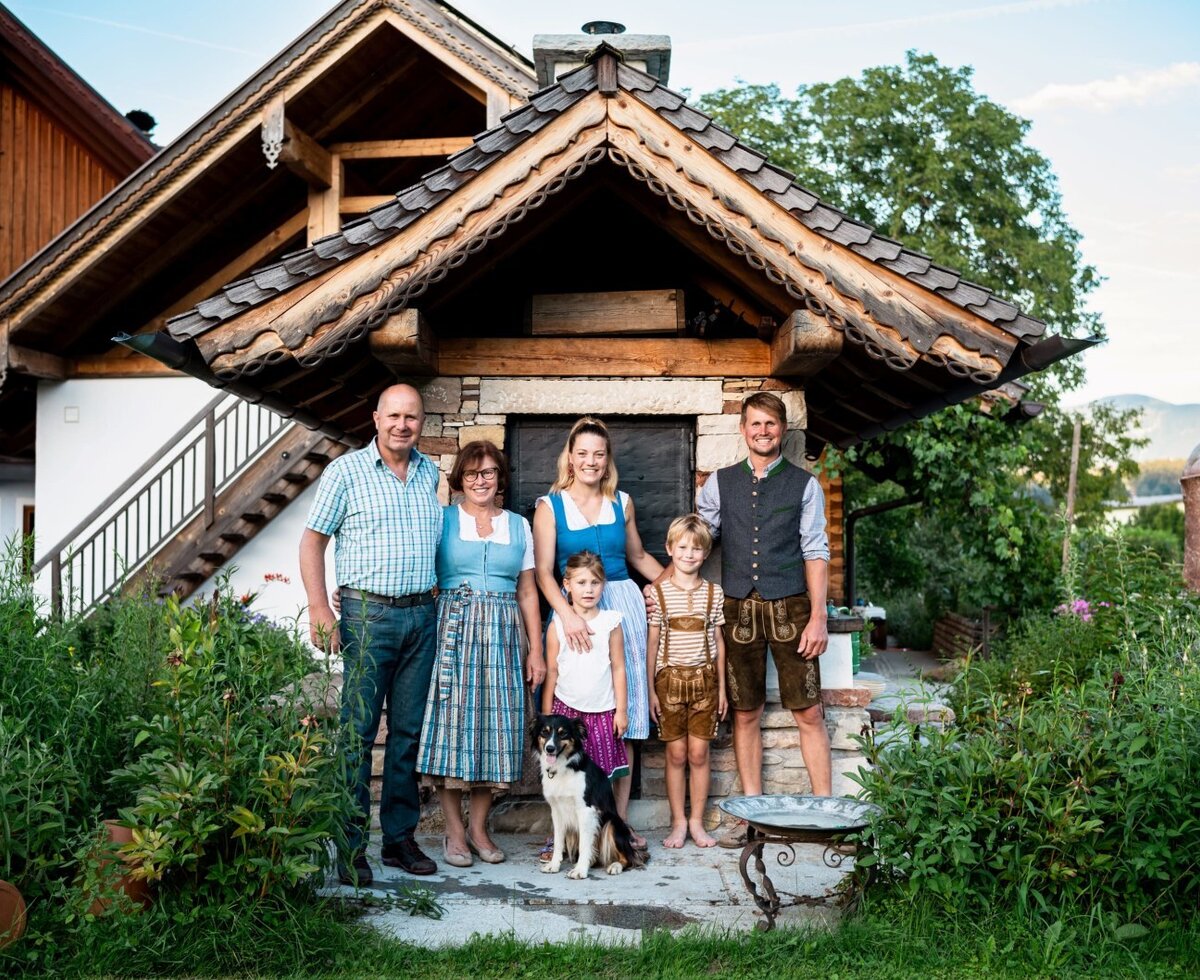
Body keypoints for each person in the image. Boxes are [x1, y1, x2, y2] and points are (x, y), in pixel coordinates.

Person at [299, 383, 442, 885]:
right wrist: (320, 606)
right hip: (368, 617)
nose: (402, 425)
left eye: (411, 417)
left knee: (407, 734)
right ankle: (351, 846)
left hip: (421, 616)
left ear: (421, 422)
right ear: (376, 418)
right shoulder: (346, 472)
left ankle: (399, 841)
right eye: (394, 416)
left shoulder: (430, 474)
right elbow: (312, 541)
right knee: (357, 734)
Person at [694, 391, 831, 849]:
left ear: (783, 429)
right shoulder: (719, 483)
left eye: (771, 423)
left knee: (808, 710)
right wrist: (668, 583)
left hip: (792, 607)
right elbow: (700, 539)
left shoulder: (805, 485)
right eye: (755, 423)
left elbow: (815, 550)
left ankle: (826, 813)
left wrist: (819, 617)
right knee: (745, 711)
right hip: (737, 610)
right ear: (743, 430)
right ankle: (751, 816)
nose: (763, 431)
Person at [532, 417, 664, 843]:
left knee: (622, 717)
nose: (591, 461)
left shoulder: (621, 501)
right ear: (570, 458)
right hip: (573, 611)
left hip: (622, 605)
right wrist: (567, 616)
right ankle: (569, 827)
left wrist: (676, 589)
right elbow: (543, 572)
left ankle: (617, 824)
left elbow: (638, 556)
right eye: (583, 453)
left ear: (608, 461)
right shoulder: (550, 506)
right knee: (574, 709)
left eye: (599, 454)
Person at [416, 441, 546, 868]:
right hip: (453, 629)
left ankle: (478, 829)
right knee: (452, 730)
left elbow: (528, 591)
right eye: (472, 473)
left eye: (488, 472)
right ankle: (454, 832)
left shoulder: (519, 526)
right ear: (460, 479)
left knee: (496, 728)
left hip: (504, 634)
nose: (480, 480)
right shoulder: (442, 520)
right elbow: (417, 570)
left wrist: (536, 650)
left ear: (499, 477)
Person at [647, 515, 727, 849]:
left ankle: (697, 822)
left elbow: (719, 642)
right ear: (669, 549)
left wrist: (722, 690)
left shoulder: (714, 593)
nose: (689, 554)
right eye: (682, 548)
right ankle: (678, 821)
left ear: (705, 553)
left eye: (696, 549)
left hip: (705, 683)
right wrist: (650, 690)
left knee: (699, 753)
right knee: (677, 754)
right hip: (669, 683)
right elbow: (653, 643)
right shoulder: (658, 594)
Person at [541, 551, 629, 779]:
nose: (589, 590)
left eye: (595, 583)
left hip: (602, 712)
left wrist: (621, 711)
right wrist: (547, 714)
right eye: (581, 583)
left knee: (599, 778)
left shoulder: (611, 622)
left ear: (603, 584)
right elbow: (552, 671)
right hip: (566, 711)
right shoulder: (557, 626)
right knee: (565, 776)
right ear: (567, 585)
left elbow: (618, 668)